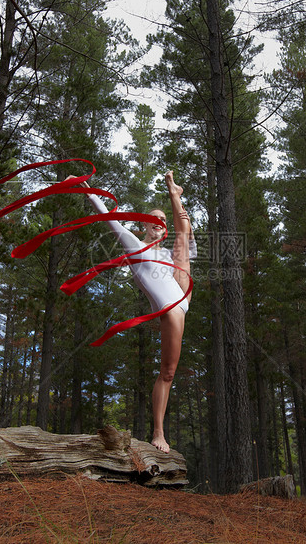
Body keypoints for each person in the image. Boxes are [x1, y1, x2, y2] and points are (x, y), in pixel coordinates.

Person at [71, 171, 194, 453]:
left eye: (163, 221)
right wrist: (87, 190)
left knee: (185, 237)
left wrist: (176, 227)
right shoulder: (135, 247)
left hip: (183, 291)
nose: (159, 223)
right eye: (154, 219)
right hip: (171, 308)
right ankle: (158, 433)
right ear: (144, 226)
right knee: (168, 372)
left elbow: (181, 233)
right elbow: (109, 220)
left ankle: (174, 192)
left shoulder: (166, 254)